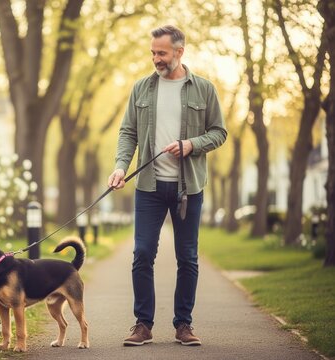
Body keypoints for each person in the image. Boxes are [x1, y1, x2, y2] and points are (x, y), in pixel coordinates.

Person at [108, 25, 227, 347]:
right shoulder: (142, 89)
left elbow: (219, 132)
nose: (156, 59)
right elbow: (127, 133)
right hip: (148, 187)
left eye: (161, 53)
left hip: (188, 188)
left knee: (187, 257)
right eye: (153, 53)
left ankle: (183, 325)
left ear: (179, 52)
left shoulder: (204, 89)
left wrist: (192, 144)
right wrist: (120, 167)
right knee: (142, 253)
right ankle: (142, 324)